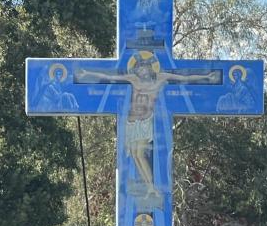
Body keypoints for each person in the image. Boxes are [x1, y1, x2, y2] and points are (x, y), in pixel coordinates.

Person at [78, 51, 217, 199]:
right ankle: (149, 187)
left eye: (143, 68)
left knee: (140, 153)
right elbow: (111, 77)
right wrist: (87, 72)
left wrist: (206, 77)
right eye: (138, 69)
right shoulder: (133, 79)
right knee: (134, 155)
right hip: (131, 121)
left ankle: (151, 187)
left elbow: (184, 78)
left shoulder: (160, 78)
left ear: (150, 67)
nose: (140, 71)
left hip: (145, 121)